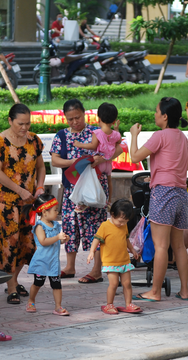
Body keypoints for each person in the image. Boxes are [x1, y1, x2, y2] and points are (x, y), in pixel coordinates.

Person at [50, 99, 123, 284]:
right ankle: (70, 266)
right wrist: (77, 163)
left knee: (95, 227)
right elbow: (55, 161)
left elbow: (118, 148)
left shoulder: (96, 132)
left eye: (78, 117)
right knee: (70, 226)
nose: (75, 122)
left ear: (85, 114)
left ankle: (97, 270)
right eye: (70, 119)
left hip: (94, 189)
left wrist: (101, 159)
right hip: (71, 190)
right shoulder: (62, 136)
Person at [129, 97, 188, 302]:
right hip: (181, 194)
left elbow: (135, 157)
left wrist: (134, 135)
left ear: (165, 116)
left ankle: (155, 292)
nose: (155, 114)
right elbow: (187, 164)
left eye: (157, 111)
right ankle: (184, 291)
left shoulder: (160, 135)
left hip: (163, 194)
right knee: (179, 246)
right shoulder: (181, 136)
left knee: (161, 246)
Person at [0, 103, 45, 305]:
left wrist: (39, 187)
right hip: (6, 201)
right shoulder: (0, 142)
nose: (24, 127)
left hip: (28, 201)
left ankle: (14, 279)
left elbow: (40, 166)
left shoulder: (34, 140)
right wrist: (20, 190)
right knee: (8, 244)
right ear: (10, 121)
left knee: (26, 244)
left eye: (28, 123)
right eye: (20, 123)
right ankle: (11, 287)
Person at [88, 200, 142, 315]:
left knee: (127, 284)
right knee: (113, 284)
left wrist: (132, 250)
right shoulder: (105, 226)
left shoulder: (124, 225)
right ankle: (109, 304)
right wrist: (92, 251)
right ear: (112, 214)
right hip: (110, 262)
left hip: (124, 260)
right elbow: (96, 239)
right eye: (121, 221)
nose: (122, 224)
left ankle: (129, 304)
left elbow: (126, 239)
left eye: (125, 221)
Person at [23, 194, 70, 316]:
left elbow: (56, 241)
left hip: (53, 262)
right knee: (38, 282)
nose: (57, 212)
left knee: (57, 284)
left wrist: (63, 239)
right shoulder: (40, 226)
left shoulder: (55, 225)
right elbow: (43, 242)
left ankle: (58, 306)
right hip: (42, 262)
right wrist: (57, 237)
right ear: (44, 212)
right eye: (55, 210)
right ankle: (31, 300)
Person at [72, 102, 121, 205]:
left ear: (99, 118)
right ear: (114, 120)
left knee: (90, 179)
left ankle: (85, 201)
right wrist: (116, 129)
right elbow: (119, 142)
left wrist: (80, 144)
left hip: (99, 163)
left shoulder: (98, 132)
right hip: (108, 164)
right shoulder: (115, 134)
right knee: (109, 181)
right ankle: (109, 200)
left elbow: (93, 146)